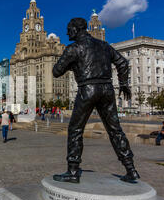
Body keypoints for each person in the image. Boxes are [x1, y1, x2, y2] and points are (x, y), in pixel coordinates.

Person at [52, 17, 139, 183]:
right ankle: (131, 168)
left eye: (69, 29)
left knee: (75, 130)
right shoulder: (104, 46)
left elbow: (56, 71)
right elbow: (122, 63)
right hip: (107, 90)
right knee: (115, 130)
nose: (67, 32)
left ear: (76, 29)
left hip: (88, 90)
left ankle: (73, 170)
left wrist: (72, 64)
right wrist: (123, 84)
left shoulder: (74, 48)